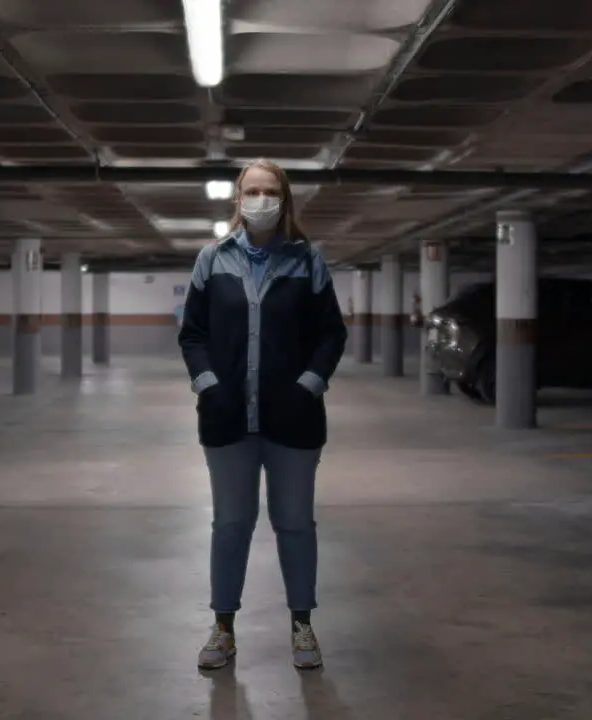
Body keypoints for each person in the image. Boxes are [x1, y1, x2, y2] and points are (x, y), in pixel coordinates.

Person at [177, 158, 348, 670]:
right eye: (251, 190)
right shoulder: (212, 259)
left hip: (293, 420)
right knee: (231, 523)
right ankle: (223, 628)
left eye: (269, 190)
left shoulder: (306, 261)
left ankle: (303, 626)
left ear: (284, 198)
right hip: (228, 419)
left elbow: (331, 334)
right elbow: (193, 334)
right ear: (238, 198)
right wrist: (210, 387)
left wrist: (307, 387)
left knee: (295, 523)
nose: (260, 199)